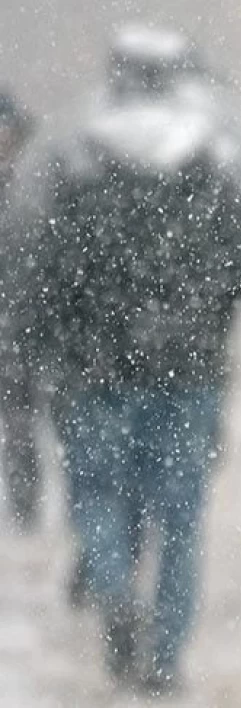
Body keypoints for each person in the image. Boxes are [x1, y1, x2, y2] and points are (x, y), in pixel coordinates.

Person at [24, 25, 241, 695]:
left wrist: (60, 345)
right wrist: (202, 320)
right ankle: (165, 655)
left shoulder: (76, 154)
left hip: (97, 369)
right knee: (180, 519)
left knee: (99, 496)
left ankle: (112, 587)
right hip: (187, 372)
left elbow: (48, 268)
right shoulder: (211, 155)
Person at [0, 89, 37, 531]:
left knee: (24, 418)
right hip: (18, 318)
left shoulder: (35, 184)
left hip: (26, 321)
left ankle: (26, 501)